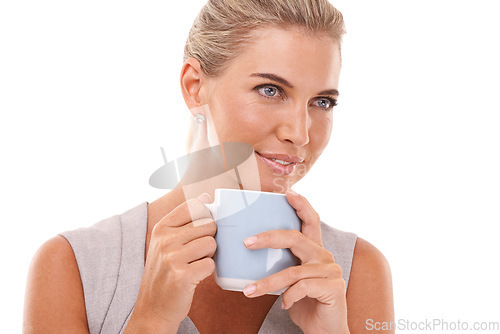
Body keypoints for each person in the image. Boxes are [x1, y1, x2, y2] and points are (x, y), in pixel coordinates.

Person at [23, 0, 394, 333]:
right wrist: (151, 320)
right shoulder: (73, 266)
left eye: (322, 102)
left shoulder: (358, 272)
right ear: (195, 86)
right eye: (270, 90)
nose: (299, 133)